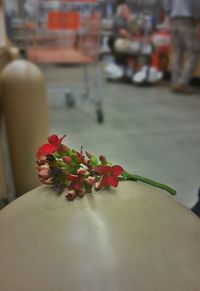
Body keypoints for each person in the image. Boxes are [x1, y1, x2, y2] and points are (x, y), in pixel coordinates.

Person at [164, 0, 200, 94]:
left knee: (177, 52)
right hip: (187, 20)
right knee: (194, 51)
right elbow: (197, 4)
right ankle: (182, 83)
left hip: (174, 19)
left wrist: (169, 12)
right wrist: (197, 17)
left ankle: (175, 82)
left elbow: (167, 2)